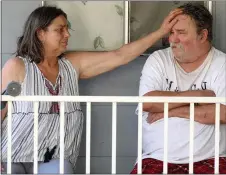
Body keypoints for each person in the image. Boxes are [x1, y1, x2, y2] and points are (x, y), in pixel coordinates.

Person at [0, 5, 181, 174]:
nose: (67, 34)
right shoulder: (18, 67)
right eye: (60, 30)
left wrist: (160, 32)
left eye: (67, 29)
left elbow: (120, 55)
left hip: (54, 157)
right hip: (14, 155)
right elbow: (2, 108)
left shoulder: (71, 65)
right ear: (40, 33)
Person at [131, 3, 226, 174]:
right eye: (171, 33)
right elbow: (148, 103)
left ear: (203, 35)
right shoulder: (158, 59)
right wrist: (198, 96)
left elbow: (224, 113)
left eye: (181, 33)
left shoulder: (221, 64)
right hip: (156, 158)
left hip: (211, 158)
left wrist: (170, 111)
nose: (172, 39)